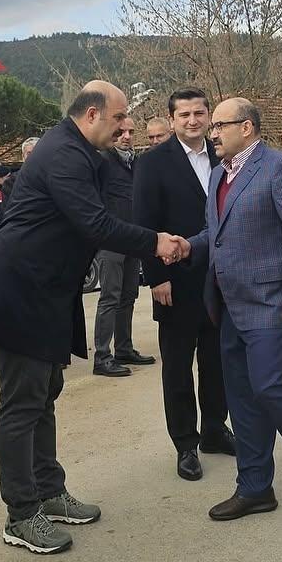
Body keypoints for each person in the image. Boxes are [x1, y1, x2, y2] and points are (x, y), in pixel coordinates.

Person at [0, 80, 184, 555]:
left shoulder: (91, 154)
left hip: (50, 291)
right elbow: (96, 223)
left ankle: (49, 490)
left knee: (45, 394)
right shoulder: (63, 155)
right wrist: (156, 242)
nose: (127, 125)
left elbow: (128, 195)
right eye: (119, 117)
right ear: (90, 115)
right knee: (22, 404)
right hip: (21, 292)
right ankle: (21, 514)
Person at [178, 97, 282, 520]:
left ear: (247, 127)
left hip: (272, 303)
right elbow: (215, 233)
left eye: (219, 124)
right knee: (242, 397)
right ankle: (255, 488)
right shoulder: (220, 173)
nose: (212, 132)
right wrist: (185, 246)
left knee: (270, 387)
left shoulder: (279, 168)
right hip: (228, 305)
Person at [133, 88, 235, 481]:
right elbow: (144, 222)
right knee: (177, 367)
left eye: (199, 113)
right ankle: (185, 445)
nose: (193, 121)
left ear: (209, 116)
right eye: (184, 115)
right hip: (174, 280)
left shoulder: (221, 155)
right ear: (172, 120)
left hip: (219, 279)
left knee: (216, 360)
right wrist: (155, 277)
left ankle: (213, 429)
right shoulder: (153, 163)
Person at [93, 116, 155, 378]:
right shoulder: (101, 161)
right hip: (110, 242)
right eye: (122, 131)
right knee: (110, 297)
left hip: (133, 239)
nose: (127, 136)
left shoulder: (136, 163)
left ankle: (123, 348)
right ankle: (101, 356)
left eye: (131, 131)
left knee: (129, 295)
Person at [1, 137, 40, 209]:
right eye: (29, 153)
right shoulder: (11, 182)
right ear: (23, 157)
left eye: (37, 152)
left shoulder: (52, 179)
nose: (33, 157)